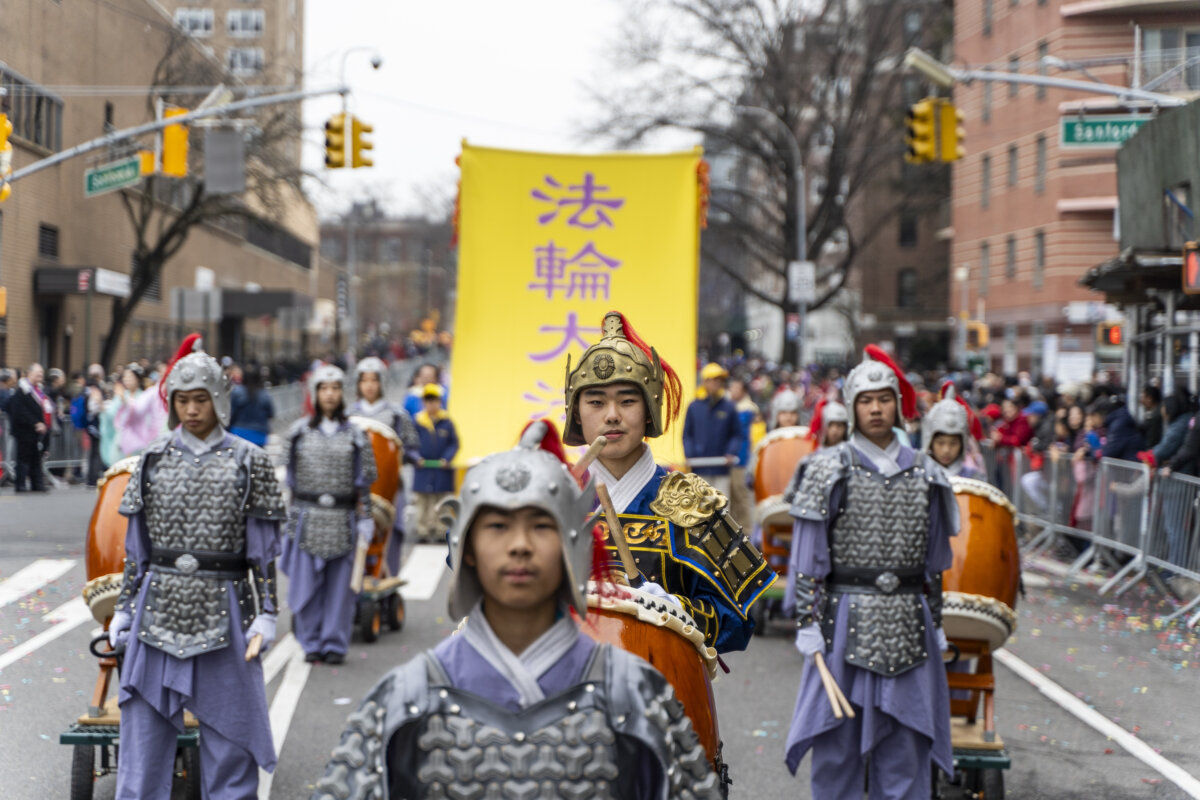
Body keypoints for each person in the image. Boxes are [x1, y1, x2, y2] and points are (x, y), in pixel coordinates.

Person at [309, 426, 722, 800]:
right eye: (498, 526)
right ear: (465, 547)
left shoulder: (637, 693)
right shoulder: (405, 697)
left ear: (575, 544)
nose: (520, 545)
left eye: (541, 525)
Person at [106, 335, 284, 799]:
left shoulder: (252, 463)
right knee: (142, 737)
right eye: (182, 400)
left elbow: (263, 552)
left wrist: (268, 611)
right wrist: (125, 608)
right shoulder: (150, 460)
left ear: (219, 399)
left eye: (199, 399)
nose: (190, 410)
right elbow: (137, 549)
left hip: (227, 602)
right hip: (157, 602)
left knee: (231, 737)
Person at [784, 345, 956, 799]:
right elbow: (809, 558)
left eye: (883, 398)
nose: (875, 408)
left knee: (906, 742)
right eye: (866, 400)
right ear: (852, 406)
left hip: (909, 619)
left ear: (897, 405)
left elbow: (934, 563)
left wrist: (936, 624)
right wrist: (806, 623)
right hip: (842, 617)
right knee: (837, 743)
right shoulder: (827, 470)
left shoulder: (928, 473)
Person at [563, 311, 774, 652]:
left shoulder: (690, 502)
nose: (612, 414)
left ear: (648, 410)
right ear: (576, 413)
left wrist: (676, 612)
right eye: (596, 402)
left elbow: (738, 620)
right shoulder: (552, 500)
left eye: (627, 400)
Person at [280, 365, 377, 664]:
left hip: (342, 518)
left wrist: (366, 518)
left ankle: (334, 643)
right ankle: (310, 642)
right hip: (307, 516)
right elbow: (289, 481)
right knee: (305, 585)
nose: (330, 394)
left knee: (339, 589)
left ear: (343, 392)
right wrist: (287, 518)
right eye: (324, 388)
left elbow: (364, 483)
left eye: (335, 388)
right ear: (315, 393)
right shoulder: (298, 433)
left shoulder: (356, 435)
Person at [349, 356, 420, 574]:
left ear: (382, 382)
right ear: (358, 384)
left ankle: (386, 575)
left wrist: (406, 456)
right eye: (365, 380)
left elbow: (411, 447)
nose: (369, 385)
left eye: (374, 380)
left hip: (388, 488)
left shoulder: (397, 414)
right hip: (355, 488)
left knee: (390, 534)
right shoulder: (348, 414)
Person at [683, 362, 744, 497]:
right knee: (699, 508)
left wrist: (730, 452)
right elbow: (687, 435)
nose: (717, 383)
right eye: (713, 379)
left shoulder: (729, 407)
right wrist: (689, 454)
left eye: (719, 380)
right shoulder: (694, 407)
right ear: (705, 381)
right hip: (698, 470)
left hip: (721, 470)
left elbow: (736, 434)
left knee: (721, 508)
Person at [412, 382, 458, 543]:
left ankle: (440, 529)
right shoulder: (418, 422)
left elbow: (454, 443)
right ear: (424, 403)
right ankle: (423, 529)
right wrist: (416, 457)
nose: (431, 404)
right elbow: (411, 444)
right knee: (423, 501)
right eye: (428, 401)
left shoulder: (447, 421)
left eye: (434, 400)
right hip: (423, 468)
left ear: (440, 401)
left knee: (442, 500)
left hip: (442, 468)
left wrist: (447, 458)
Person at [924, 384, 985, 480]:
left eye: (953, 443)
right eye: (940, 443)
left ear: (963, 443)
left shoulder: (974, 477)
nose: (946, 450)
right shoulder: (920, 476)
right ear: (930, 442)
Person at [9, 363, 53, 492]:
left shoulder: (39, 390)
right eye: (37, 373)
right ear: (30, 373)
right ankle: (20, 484)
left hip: (36, 431)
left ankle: (37, 484)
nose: (40, 375)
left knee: (36, 458)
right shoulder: (22, 390)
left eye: (41, 373)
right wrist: (35, 423)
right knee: (23, 458)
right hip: (24, 430)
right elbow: (20, 411)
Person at [228, 367, 275, 447]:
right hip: (259, 434)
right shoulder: (264, 394)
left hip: (239, 433)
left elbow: (231, 413)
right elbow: (271, 413)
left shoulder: (236, 392)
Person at [1141, 385, 1164, 449]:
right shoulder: (1154, 412)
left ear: (1149, 399)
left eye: (1143, 397)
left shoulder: (1155, 417)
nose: (1141, 401)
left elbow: (1152, 441)